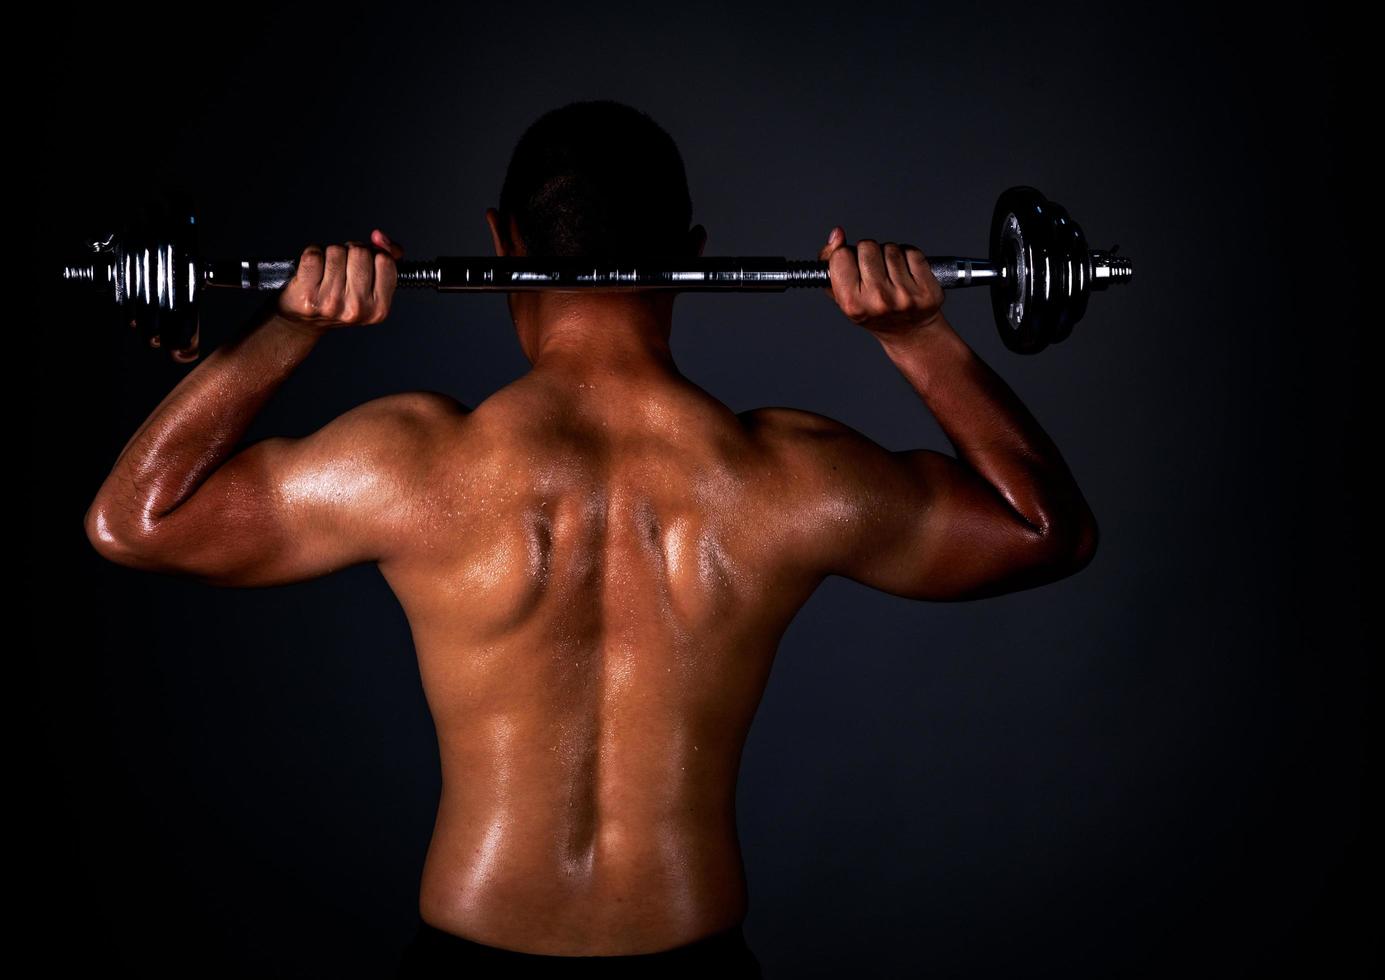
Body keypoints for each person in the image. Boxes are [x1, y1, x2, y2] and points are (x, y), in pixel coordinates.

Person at [83, 99, 1097, 977]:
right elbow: (1044, 529)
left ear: (500, 243)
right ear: (693, 256)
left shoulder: (415, 464)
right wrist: (917, 337)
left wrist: (287, 326)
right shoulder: (787, 477)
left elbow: (136, 519)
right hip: (691, 975)